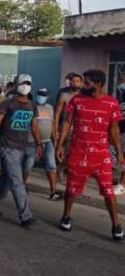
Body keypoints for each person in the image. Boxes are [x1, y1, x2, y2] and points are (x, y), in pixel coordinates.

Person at [56, 70, 124, 240]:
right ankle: (66, 216)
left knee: (109, 191)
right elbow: (67, 123)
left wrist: (120, 153)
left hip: (101, 155)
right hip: (78, 152)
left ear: (98, 84)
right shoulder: (76, 100)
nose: (82, 86)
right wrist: (60, 145)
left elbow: (114, 130)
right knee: (71, 189)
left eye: (86, 83)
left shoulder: (112, 103)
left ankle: (116, 225)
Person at [0, 74, 42, 227]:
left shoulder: (32, 106)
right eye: (23, 83)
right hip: (7, 146)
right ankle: (25, 215)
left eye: (28, 83)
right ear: (16, 85)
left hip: (23, 147)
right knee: (17, 180)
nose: (25, 86)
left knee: (7, 178)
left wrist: (39, 144)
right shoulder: (8, 103)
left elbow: (34, 126)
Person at [23, 88, 61, 200]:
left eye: (43, 95)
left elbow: (52, 123)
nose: (41, 97)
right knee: (28, 165)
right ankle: (21, 186)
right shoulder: (30, 106)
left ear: (47, 97)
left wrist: (55, 138)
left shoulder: (50, 108)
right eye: (39, 94)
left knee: (51, 166)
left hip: (47, 141)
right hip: (32, 141)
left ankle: (53, 191)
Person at [115, 73, 125, 196]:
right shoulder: (120, 97)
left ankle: (122, 185)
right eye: (121, 79)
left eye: (123, 80)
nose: (121, 83)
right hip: (121, 130)